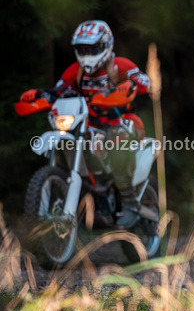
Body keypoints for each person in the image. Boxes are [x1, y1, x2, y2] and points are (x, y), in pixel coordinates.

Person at [20, 20, 150, 228]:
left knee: (116, 142)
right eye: (82, 49)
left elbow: (144, 81)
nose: (86, 54)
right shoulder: (76, 70)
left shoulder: (120, 66)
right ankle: (77, 194)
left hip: (122, 122)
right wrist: (40, 95)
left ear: (106, 46)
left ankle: (130, 204)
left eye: (91, 48)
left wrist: (131, 83)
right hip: (87, 125)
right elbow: (59, 91)